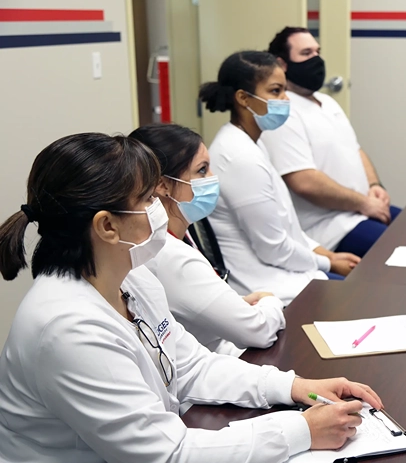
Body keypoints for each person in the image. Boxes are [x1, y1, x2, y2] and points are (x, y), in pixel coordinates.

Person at [0, 132, 382, 462]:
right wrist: (300, 431)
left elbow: (193, 366)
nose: (160, 208)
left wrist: (295, 386)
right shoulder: (67, 330)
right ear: (107, 226)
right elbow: (167, 454)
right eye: (148, 198)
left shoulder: (133, 280)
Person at [199, 51, 360, 305]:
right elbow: (273, 247)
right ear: (243, 98)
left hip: (286, 275)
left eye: (284, 90)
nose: (285, 100)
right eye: (275, 91)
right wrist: (328, 262)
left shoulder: (251, 143)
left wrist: (329, 256)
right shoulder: (239, 157)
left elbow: (288, 227)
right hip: (270, 289)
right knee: (360, 298)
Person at [129, 123, 285, 358]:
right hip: (216, 367)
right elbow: (258, 331)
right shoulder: (170, 255)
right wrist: (270, 301)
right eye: (202, 170)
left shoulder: (178, 236)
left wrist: (236, 304)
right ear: (163, 185)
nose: (213, 179)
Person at [263, 27, 401, 258]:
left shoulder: (327, 102)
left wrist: (375, 186)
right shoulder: (282, 112)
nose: (316, 59)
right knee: (400, 247)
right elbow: (304, 182)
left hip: (361, 210)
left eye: (318, 51)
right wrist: (364, 204)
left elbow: (355, 149)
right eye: (306, 53)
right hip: (329, 228)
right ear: (282, 63)